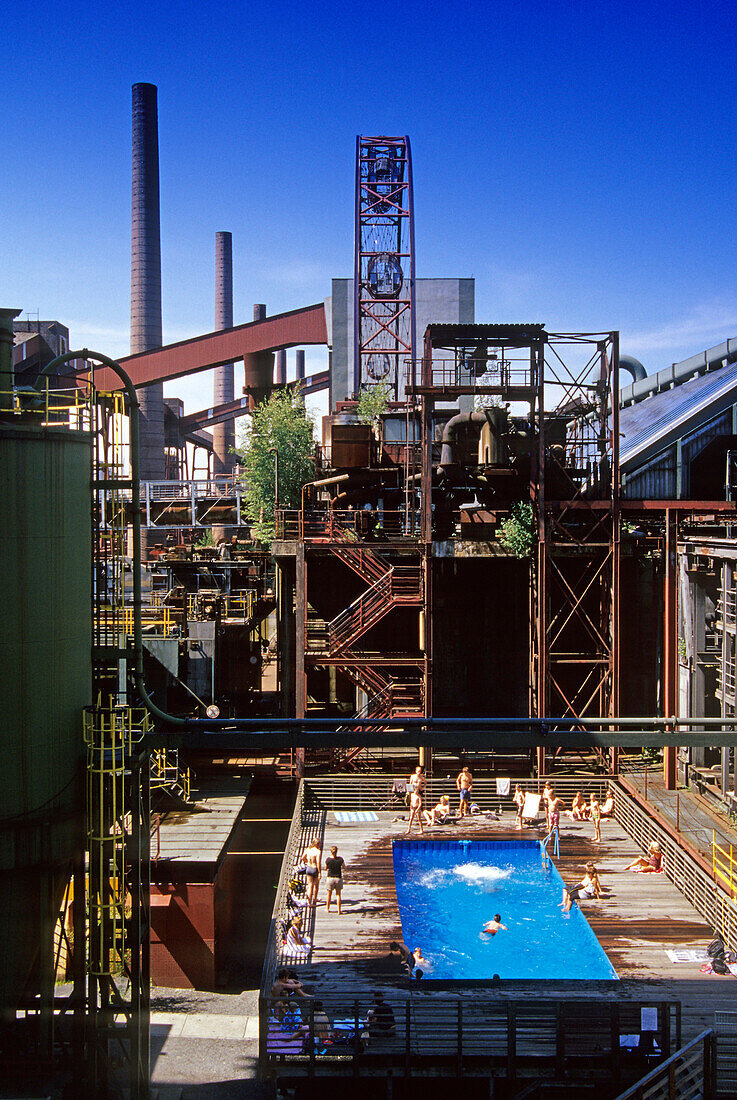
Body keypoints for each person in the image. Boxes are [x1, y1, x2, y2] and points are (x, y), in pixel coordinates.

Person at [325, 845, 346, 914]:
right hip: (338, 878)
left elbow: (326, 868)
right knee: (338, 894)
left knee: (329, 894)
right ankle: (339, 910)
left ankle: (327, 908)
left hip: (330, 878)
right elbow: (344, 867)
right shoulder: (340, 859)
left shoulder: (328, 860)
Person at [302, 840, 322, 906]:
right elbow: (318, 862)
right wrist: (319, 872)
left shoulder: (308, 849)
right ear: (317, 844)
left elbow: (302, 857)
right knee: (316, 885)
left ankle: (309, 902)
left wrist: (307, 861)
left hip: (308, 868)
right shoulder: (318, 851)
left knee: (310, 885)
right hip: (314, 868)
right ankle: (315, 898)